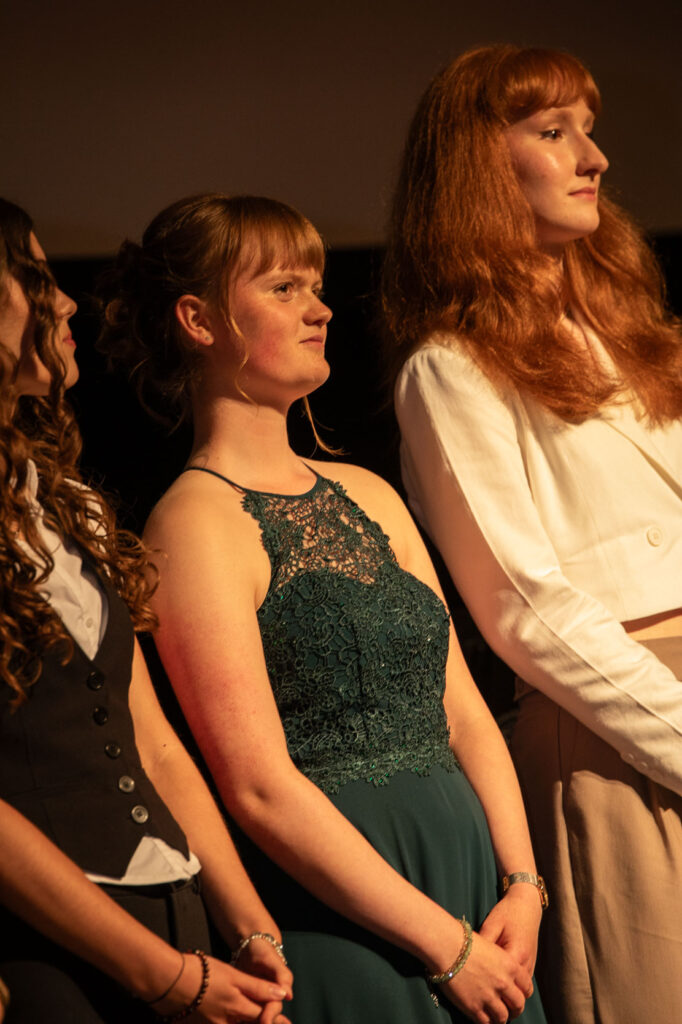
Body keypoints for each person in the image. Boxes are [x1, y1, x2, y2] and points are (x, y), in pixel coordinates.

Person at [98, 191, 548, 1024]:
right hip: (352, 914)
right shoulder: (191, 524)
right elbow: (258, 786)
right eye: (284, 288)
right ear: (199, 320)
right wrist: (442, 945)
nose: (321, 309)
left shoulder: (368, 493)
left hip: (477, 894)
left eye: (317, 285)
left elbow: (466, 714)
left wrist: (522, 883)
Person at [382, 44, 682, 1024]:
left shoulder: (630, 332)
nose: (594, 157)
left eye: (588, 129)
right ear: (479, 165)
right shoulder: (450, 368)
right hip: (619, 724)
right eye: (554, 132)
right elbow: (524, 606)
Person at [0, 197, 293, 1023]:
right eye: (33, 279)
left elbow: (154, 747)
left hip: (174, 914)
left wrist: (249, 927)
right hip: (50, 947)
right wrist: (163, 975)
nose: (65, 302)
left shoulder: (67, 506)